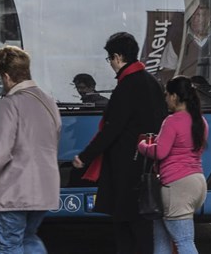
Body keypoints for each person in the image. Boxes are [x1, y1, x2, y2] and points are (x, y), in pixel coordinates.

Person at [72, 32, 168, 254]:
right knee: (142, 223)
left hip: (127, 165)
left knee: (126, 225)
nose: (111, 65)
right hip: (147, 163)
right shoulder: (152, 82)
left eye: (110, 59)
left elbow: (112, 129)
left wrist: (85, 156)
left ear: (117, 57)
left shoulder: (127, 85)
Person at [0, 45, 61, 254]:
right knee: (28, 238)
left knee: (8, 244)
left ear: (6, 76)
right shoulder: (48, 101)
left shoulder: (10, 103)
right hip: (44, 189)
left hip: (12, 191)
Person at [137, 76, 208, 254]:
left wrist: (142, 145)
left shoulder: (172, 121)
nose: (166, 99)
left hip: (177, 186)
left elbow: (160, 152)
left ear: (175, 96)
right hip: (197, 182)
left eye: (167, 94)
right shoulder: (201, 121)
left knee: (184, 241)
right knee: (162, 238)